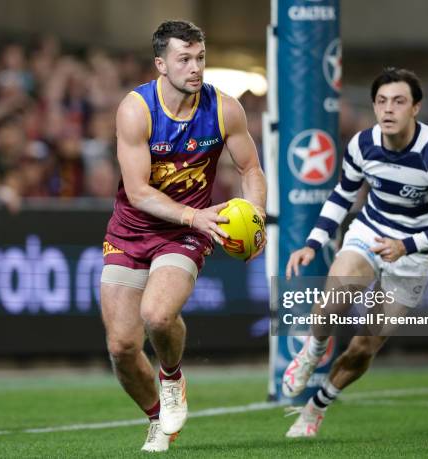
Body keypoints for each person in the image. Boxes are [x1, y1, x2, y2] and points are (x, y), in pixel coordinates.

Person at [100, 20, 266, 452]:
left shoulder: (225, 108)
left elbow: (250, 170)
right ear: (161, 64)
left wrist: (257, 216)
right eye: (184, 59)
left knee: (157, 315)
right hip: (132, 228)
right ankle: (159, 419)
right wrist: (194, 216)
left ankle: (172, 378)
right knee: (120, 346)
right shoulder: (136, 109)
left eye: (200, 58)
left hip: (185, 232)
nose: (195, 68)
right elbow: (137, 192)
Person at [282, 68, 428, 438]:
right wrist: (313, 242)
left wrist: (407, 245)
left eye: (399, 101)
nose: (388, 110)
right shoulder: (362, 144)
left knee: (364, 345)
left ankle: (315, 408)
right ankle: (312, 352)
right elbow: (343, 195)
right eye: (381, 102)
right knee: (336, 296)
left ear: (416, 108)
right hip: (371, 230)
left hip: (413, 250)